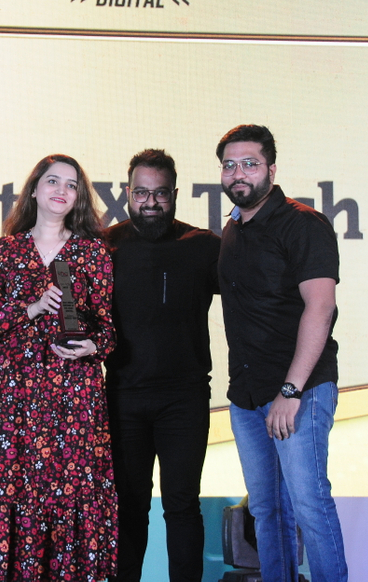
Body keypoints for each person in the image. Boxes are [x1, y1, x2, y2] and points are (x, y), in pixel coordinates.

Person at [0, 154, 118, 581]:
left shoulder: (93, 253)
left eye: (71, 185)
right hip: (18, 396)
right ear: (34, 189)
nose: (61, 190)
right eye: (52, 181)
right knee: (17, 486)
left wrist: (92, 345)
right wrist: (31, 307)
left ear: (78, 197)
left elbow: (109, 330)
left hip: (75, 395)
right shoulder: (5, 250)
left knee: (72, 490)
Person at [216, 124, 348, 582]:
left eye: (250, 163)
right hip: (247, 396)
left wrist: (290, 391)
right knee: (266, 510)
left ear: (271, 170)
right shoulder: (233, 229)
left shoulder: (302, 224)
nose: (238, 173)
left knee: (309, 504)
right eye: (229, 165)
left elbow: (321, 307)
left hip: (298, 391)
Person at [102, 149, 220, 582]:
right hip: (122, 398)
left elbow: (252, 297)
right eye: (141, 193)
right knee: (127, 506)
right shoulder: (103, 246)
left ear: (175, 193)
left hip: (184, 399)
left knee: (182, 506)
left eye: (160, 193)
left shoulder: (203, 246)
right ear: (127, 193)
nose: (150, 202)